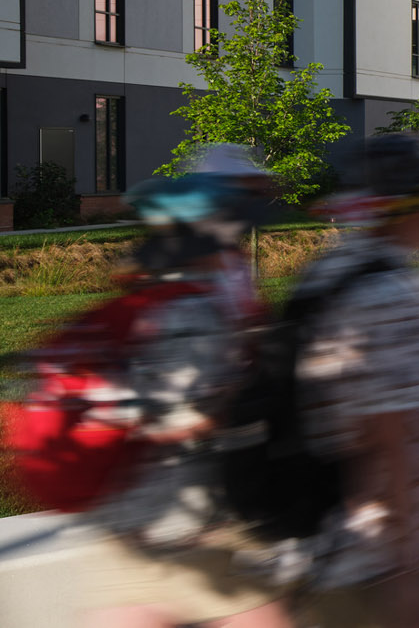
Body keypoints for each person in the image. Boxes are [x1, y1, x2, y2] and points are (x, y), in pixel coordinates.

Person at [288, 133, 419, 628]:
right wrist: (412, 565)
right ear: (409, 209)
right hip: (393, 557)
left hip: (332, 544)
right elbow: (384, 432)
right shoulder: (389, 293)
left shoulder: (330, 271)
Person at [81, 162, 292, 628]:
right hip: (190, 514)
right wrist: (245, 397)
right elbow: (187, 417)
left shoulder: (141, 299)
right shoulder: (190, 312)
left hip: (127, 511)